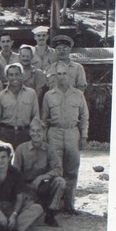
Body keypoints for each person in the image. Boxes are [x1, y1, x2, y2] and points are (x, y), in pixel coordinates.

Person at [41, 63, 89, 213]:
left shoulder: (78, 95)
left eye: (65, 74)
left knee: (72, 169)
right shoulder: (49, 95)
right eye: (59, 74)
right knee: (56, 169)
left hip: (72, 133)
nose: (62, 77)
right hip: (54, 133)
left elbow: (84, 116)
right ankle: (54, 205)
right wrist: (44, 137)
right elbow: (44, 119)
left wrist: (84, 135)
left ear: (70, 76)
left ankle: (69, 205)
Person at [0, 141, 43, 231]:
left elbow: (20, 198)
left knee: (37, 208)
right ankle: (14, 226)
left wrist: (14, 215)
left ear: (9, 158)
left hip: (11, 205)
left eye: (3, 157)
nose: (0, 160)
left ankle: (0, 226)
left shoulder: (16, 173)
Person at [13, 118, 66, 226]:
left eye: (39, 131)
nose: (35, 134)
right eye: (33, 131)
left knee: (60, 181)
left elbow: (58, 169)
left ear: (44, 132)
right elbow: (15, 172)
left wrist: (42, 177)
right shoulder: (21, 149)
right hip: (26, 186)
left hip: (43, 184)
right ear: (29, 132)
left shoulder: (50, 149)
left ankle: (50, 213)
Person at [0, 63, 39, 148]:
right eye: (11, 75)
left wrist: (35, 135)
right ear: (6, 77)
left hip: (25, 133)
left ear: (22, 75)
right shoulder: (0, 96)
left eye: (17, 74)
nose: (14, 77)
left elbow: (35, 116)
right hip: (6, 133)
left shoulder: (31, 93)